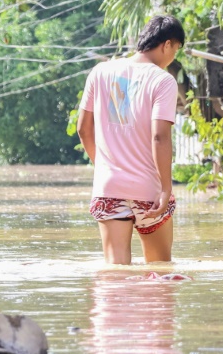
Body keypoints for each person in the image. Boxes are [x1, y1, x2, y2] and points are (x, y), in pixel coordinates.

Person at [76, 15, 184, 264]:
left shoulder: (100, 72)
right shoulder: (163, 80)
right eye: (176, 50)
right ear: (167, 44)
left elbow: (83, 129)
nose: (173, 57)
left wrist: (104, 168)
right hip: (148, 189)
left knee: (116, 274)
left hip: (109, 187)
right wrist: (166, 189)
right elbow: (159, 137)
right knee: (159, 273)